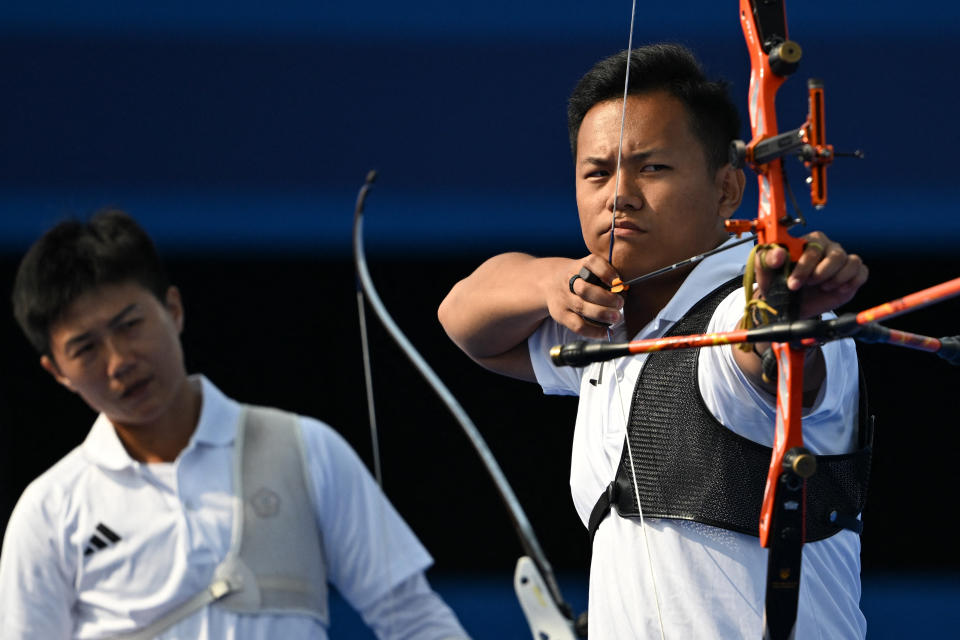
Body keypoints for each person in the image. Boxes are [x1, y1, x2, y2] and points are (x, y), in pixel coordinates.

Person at [438, 44, 871, 638]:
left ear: (727, 190)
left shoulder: (737, 315)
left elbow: (759, 356)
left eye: (652, 167)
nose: (618, 194)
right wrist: (549, 280)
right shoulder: (605, 323)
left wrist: (783, 312)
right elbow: (463, 315)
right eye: (596, 173)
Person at [0, 209, 470, 640]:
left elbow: (414, 621)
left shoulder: (306, 450)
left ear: (174, 309)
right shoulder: (49, 512)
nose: (120, 361)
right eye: (85, 349)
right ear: (57, 371)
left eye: (130, 324)